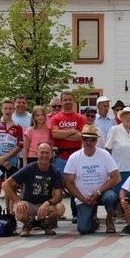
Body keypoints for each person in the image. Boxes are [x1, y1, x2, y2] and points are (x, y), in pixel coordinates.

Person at [64, 125, 120, 234]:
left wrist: (99, 192)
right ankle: (93, 218)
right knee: (84, 229)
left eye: (93, 140)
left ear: (96, 141)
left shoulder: (104, 155)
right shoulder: (74, 157)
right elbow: (68, 182)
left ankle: (109, 218)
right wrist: (82, 198)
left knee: (111, 197)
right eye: (86, 139)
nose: (89, 143)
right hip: (83, 196)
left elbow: (116, 177)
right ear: (81, 140)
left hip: (102, 193)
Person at [3, 143, 66, 236]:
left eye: (47, 153)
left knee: (60, 208)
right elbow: (6, 184)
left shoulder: (55, 172)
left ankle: (45, 224)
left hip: (46, 204)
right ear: (36, 153)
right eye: (42, 152)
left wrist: (47, 203)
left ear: (51, 155)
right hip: (29, 204)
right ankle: (27, 225)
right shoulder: (29, 168)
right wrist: (17, 201)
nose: (44, 155)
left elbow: (58, 195)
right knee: (19, 210)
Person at [50, 91, 85, 223]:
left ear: (73, 101)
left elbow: (80, 136)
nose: (68, 102)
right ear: (61, 101)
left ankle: (76, 213)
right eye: (65, 100)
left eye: (70, 99)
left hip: (76, 155)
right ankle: (54, 213)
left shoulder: (80, 118)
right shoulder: (56, 118)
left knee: (75, 185)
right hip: (60, 156)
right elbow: (54, 135)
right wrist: (72, 131)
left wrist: (63, 133)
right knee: (57, 185)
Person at [105, 106, 130, 200]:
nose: (128, 119)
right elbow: (107, 149)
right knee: (119, 194)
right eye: (126, 116)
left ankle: (128, 213)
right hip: (119, 169)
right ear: (121, 118)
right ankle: (118, 212)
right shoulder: (114, 129)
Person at [0, 98, 24, 178]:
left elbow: (19, 146)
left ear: (13, 110)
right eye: (5, 108)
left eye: (10, 108)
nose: (7, 110)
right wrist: (0, 159)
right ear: (1, 109)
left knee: (12, 188)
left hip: (13, 163)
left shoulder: (18, 127)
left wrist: (4, 158)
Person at [12, 94, 31, 167]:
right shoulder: (9, 117)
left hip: (27, 154)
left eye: (23, 102)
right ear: (14, 104)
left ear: (26, 104)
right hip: (12, 154)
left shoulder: (32, 117)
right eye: (19, 102)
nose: (21, 104)